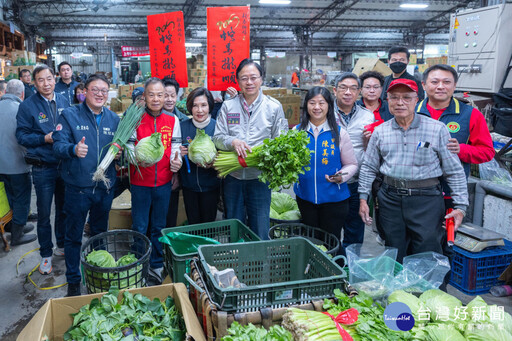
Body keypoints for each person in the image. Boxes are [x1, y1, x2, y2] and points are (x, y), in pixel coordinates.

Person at [358, 78, 469, 263]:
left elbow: (454, 171)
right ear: (387, 100)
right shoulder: (380, 131)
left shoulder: (437, 129)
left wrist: (461, 207)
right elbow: (369, 167)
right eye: (394, 97)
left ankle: (428, 291)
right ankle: (398, 289)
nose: (400, 102)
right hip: (390, 198)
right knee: (393, 248)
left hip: (426, 200)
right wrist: (363, 197)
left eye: (406, 97)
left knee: (427, 250)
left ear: (417, 99)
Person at [416, 64, 494, 289]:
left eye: (446, 82)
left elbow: (487, 152)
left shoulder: (470, 114)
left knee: (445, 243)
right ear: (424, 85)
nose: (440, 86)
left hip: (450, 195)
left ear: (455, 85)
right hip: (417, 193)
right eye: (434, 81)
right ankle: (414, 289)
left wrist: (462, 150)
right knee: (417, 242)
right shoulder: (413, 111)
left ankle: (440, 290)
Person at [53, 74, 120, 296]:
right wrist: (73, 149)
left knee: (100, 234)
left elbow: (117, 150)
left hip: (104, 190)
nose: (100, 94)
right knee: (73, 237)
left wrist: (120, 154)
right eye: (95, 90)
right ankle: (73, 281)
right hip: (78, 189)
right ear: (85, 92)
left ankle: (98, 275)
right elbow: (58, 145)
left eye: (104, 90)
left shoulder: (114, 119)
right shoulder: (70, 115)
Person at [213, 58, 288, 240]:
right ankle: (236, 260)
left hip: (260, 178)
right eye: (244, 78)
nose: (249, 82)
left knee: (260, 226)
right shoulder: (228, 106)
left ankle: (259, 265)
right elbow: (218, 137)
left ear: (261, 79)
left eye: (253, 77)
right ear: (238, 81)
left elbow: (282, 140)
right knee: (233, 225)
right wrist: (233, 142)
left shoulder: (273, 107)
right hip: (233, 176)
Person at [16, 65, 70, 275]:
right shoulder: (27, 106)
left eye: (49, 79)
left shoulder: (64, 101)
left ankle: (62, 245)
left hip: (64, 166)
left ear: (54, 79)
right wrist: (43, 138)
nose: (46, 84)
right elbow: (21, 136)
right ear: (34, 83)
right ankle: (46, 254)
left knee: (64, 210)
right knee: (45, 213)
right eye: (41, 80)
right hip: (43, 168)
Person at [128, 78, 182, 284]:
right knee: (140, 226)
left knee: (159, 225)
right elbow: (130, 147)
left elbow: (175, 147)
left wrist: (177, 162)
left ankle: (157, 264)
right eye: (152, 94)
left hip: (164, 182)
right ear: (144, 97)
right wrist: (136, 158)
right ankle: (139, 264)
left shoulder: (172, 120)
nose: (157, 98)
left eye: (161, 94)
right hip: (140, 182)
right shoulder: (135, 119)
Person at [294, 87, 358, 253]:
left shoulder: (339, 133)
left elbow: (351, 164)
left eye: (322, 103)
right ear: (306, 105)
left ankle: (333, 275)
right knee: (311, 241)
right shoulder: (296, 132)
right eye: (312, 103)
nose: (317, 107)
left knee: (331, 242)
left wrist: (341, 176)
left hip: (335, 200)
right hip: (305, 198)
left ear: (329, 106)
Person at [333, 72, 374, 248]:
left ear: (359, 92)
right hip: (331, 180)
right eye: (343, 87)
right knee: (331, 228)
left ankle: (351, 266)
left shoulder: (367, 116)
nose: (348, 92)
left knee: (355, 229)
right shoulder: (324, 112)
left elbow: (370, 151)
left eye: (353, 88)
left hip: (357, 181)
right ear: (335, 90)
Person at [0, 80, 37, 246]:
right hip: (17, 164)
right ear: (22, 94)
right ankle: (17, 235)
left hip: (1, 166)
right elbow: (25, 139)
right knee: (22, 198)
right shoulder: (20, 110)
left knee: (9, 196)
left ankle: (13, 226)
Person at [179, 88, 221, 224]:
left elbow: (225, 154)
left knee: (209, 224)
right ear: (190, 108)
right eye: (195, 106)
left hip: (211, 186)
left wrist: (214, 162)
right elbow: (172, 152)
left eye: (204, 105)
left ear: (210, 106)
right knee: (193, 223)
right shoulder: (182, 127)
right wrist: (178, 154)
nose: (199, 110)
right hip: (188, 186)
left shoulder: (218, 127)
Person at [162, 79, 188, 228]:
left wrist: (186, 151)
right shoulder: (151, 118)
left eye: (173, 95)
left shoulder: (183, 120)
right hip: (155, 175)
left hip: (175, 174)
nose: (170, 99)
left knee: (171, 211)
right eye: (166, 95)